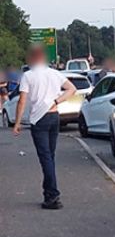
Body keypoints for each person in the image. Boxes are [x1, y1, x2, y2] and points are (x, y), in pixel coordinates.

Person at [13, 45, 77, 210]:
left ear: (33, 58)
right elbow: (72, 89)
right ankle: (49, 193)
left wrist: (18, 123)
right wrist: (56, 101)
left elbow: (22, 101)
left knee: (45, 158)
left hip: (38, 119)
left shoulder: (28, 76)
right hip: (54, 115)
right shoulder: (55, 73)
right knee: (50, 156)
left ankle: (53, 196)